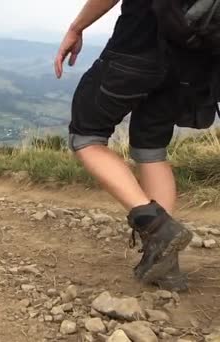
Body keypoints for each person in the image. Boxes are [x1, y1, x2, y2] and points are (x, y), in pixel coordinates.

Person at [55, 0, 219, 291]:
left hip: (136, 47)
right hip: (191, 68)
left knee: (87, 135)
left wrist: (76, 27)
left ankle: (157, 227)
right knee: (151, 149)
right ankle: (166, 266)